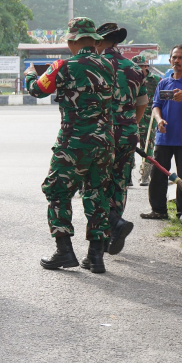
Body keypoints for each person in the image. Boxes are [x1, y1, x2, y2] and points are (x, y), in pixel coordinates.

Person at [24, 17, 113, 273]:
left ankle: (64, 251)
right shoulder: (108, 66)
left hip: (74, 143)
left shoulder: (63, 66)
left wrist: (30, 75)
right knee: (96, 194)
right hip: (104, 142)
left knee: (57, 191)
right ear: (93, 41)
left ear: (72, 40)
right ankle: (96, 257)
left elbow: (37, 90)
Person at [93, 23, 148, 258]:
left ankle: (107, 230)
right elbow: (142, 103)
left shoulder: (97, 66)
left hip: (103, 133)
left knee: (96, 185)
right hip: (128, 133)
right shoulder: (134, 68)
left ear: (102, 41)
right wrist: (129, 124)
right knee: (120, 183)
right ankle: (115, 229)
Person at [141, 44, 182, 223]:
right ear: (170, 60)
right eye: (174, 57)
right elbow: (156, 106)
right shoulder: (164, 82)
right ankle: (159, 210)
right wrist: (159, 120)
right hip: (164, 137)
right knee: (158, 175)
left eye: (180, 58)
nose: (177, 61)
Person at [131, 55, 161, 186]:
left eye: (140, 67)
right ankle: (127, 176)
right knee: (129, 147)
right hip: (132, 118)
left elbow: (161, 98)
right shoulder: (130, 79)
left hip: (148, 119)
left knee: (147, 146)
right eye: (136, 67)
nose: (138, 70)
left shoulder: (155, 80)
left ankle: (145, 175)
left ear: (146, 67)